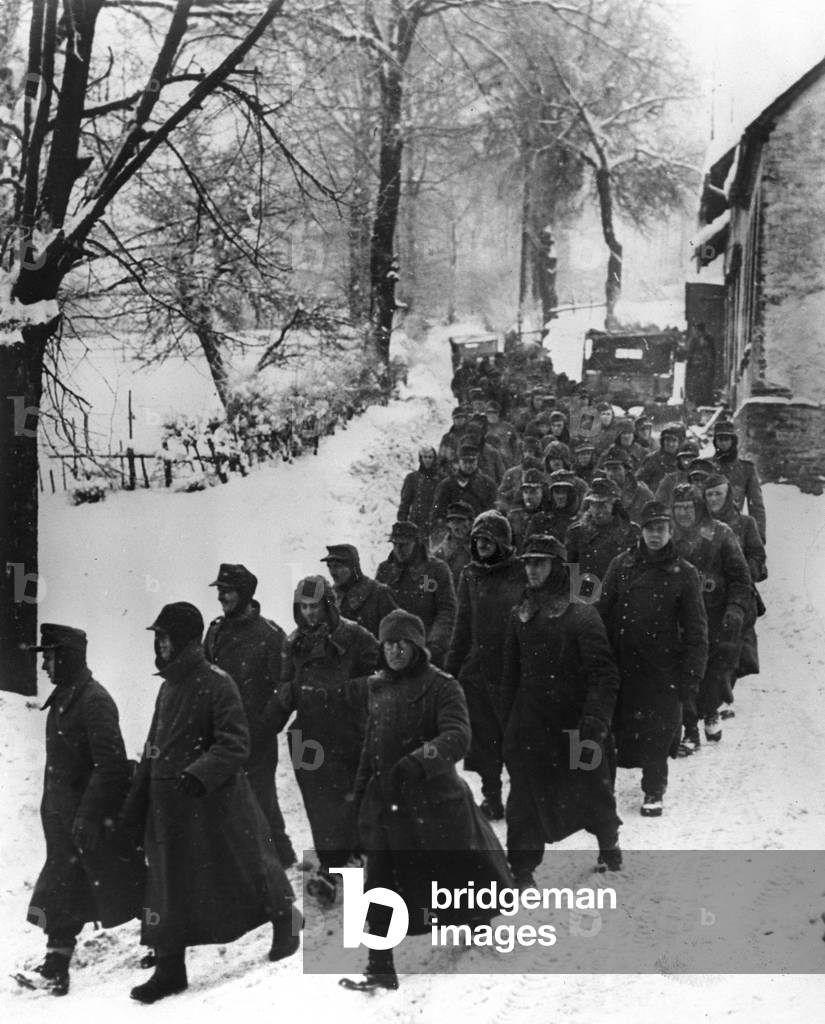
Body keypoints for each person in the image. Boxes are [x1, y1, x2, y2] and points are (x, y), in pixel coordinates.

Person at [123, 603, 299, 1004]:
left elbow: (235, 742)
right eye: (158, 637)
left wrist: (199, 773)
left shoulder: (218, 683)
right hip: (169, 809)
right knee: (167, 884)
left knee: (248, 868)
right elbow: (153, 747)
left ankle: (287, 920)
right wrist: (137, 800)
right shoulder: (168, 687)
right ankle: (170, 970)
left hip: (215, 806)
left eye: (165, 637)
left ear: (185, 640)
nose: (160, 644)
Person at [342, 610, 512, 992]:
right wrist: (360, 795)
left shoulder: (443, 686)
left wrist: (419, 761)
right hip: (390, 805)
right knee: (381, 881)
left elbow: (458, 736)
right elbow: (371, 746)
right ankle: (379, 965)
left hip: (436, 803)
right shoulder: (378, 688)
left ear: (417, 647)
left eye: (402, 644)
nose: (394, 651)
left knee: (457, 874)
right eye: (388, 644)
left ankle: (476, 919)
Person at [17, 625, 143, 997]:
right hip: (66, 824)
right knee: (65, 889)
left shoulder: (93, 701)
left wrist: (88, 815)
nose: (44, 665)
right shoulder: (64, 698)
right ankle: (55, 969)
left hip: (91, 823)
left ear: (67, 657)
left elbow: (111, 765)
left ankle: (167, 941)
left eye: (49, 657)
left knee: (127, 883)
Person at [500, 535, 623, 883]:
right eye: (528, 563)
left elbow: (604, 674)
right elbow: (510, 676)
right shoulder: (520, 616)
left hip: (576, 724)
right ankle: (522, 868)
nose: (532, 570)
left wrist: (595, 718)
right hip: (531, 725)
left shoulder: (581, 615)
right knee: (524, 799)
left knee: (593, 791)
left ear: (556, 567)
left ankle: (608, 843)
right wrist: (508, 726)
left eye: (539, 563)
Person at [597, 503, 708, 816]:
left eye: (661, 528)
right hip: (622, 663)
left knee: (657, 733)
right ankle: (602, 792)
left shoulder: (684, 573)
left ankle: (653, 789)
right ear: (641, 531)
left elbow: (697, 630)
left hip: (662, 668)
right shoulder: (621, 565)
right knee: (613, 728)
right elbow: (601, 611)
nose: (654, 535)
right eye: (649, 528)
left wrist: (692, 674)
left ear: (671, 531)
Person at [277, 576, 379, 902]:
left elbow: (379, 678)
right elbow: (285, 689)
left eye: (314, 606)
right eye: (304, 607)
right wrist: (265, 725)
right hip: (309, 735)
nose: (309, 613)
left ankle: (356, 858)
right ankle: (331, 865)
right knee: (320, 804)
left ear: (329, 605)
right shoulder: (293, 643)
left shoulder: (356, 636)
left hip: (349, 730)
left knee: (351, 798)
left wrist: (343, 692)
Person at [204, 563, 296, 867]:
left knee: (260, 802)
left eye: (228, 591)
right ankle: (274, 860)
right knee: (230, 804)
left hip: (256, 739)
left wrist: (264, 726)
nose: (221, 597)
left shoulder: (269, 635)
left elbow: (285, 688)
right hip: (222, 737)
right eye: (220, 590)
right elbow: (204, 679)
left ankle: (276, 864)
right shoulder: (215, 631)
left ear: (244, 593)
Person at [446, 511, 526, 821]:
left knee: (516, 738)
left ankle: (522, 800)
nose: (481, 544)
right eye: (477, 539)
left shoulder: (521, 571)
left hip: (513, 669)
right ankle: (492, 796)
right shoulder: (469, 574)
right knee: (484, 740)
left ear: (503, 541)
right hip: (478, 672)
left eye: (488, 539)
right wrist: (450, 672)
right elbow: (462, 626)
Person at [670, 485, 752, 753]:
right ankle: (689, 728)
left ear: (699, 507)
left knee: (713, 670)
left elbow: (740, 578)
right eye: (678, 508)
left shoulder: (721, 533)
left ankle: (710, 710)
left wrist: (735, 609)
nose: (683, 514)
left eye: (688, 507)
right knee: (685, 670)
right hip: (681, 615)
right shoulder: (668, 536)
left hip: (715, 613)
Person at [702, 473, 767, 718]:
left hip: (738, 595)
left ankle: (720, 693)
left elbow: (758, 556)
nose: (713, 499)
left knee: (736, 649)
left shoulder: (746, 523)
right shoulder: (701, 525)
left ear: (728, 495)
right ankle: (713, 699)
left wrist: (742, 572)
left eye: (718, 493)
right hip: (708, 596)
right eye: (709, 494)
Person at [375, 521, 457, 668]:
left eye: (404, 545)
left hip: (426, 648)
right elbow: (377, 610)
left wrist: (434, 646)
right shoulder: (385, 570)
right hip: (392, 650)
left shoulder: (435, 570)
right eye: (395, 544)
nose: (398, 550)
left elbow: (446, 611)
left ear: (416, 543)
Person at [566, 478, 639, 587]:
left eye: (603, 505)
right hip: (586, 592)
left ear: (615, 507)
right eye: (593, 505)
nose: (597, 511)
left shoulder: (631, 532)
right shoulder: (576, 532)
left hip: (618, 591)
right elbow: (570, 572)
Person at [320, 544, 397, 638]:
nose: (332, 572)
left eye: (337, 566)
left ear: (353, 567)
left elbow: (396, 631)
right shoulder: (330, 597)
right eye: (329, 566)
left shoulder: (379, 593)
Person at [429, 443, 498, 546]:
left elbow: (493, 513)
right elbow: (437, 514)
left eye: (472, 461)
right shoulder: (447, 485)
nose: (468, 465)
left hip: (479, 537)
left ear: (477, 461)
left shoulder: (488, 484)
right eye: (465, 462)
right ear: (459, 462)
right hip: (453, 538)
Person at [711, 419, 766, 542]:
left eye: (727, 439)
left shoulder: (746, 469)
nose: (723, 443)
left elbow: (756, 506)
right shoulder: (706, 467)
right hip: (709, 532)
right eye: (720, 439)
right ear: (715, 442)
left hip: (735, 533)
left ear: (733, 441)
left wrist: (758, 537)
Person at [397, 445, 444, 537]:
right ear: (420, 459)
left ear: (434, 459)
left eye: (430, 457)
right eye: (425, 457)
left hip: (435, 525)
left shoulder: (441, 480)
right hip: (416, 523)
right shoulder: (412, 478)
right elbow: (405, 503)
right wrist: (402, 522)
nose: (427, 460)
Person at [506, 467, 554, 553]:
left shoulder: (551, 517)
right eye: (525, 492)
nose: (528, 497)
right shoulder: (514, 517)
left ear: (543, 492)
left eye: (533, 492)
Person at [602, 450, 655, 526]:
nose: (610, 474)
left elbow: (652, 523)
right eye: (607, 469)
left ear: (626, 470)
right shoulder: (597, 493)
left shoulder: (643, 494)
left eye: (616, 469)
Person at [431, 501, 474, 585]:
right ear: (448, 524)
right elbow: (426, 581)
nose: (456, 526)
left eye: (460, 521)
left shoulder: (480, 551)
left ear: (471, 523)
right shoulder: (438, 554)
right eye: (452, 521)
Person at [496, 439, 543, 512]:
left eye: (531, 451)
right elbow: (501, 495)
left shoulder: (543, 472)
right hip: (515, 509)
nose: (528, 454)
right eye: (526, 451)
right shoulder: (512, 473)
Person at [636, 422, 685, 491]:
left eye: (674, 440)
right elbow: (638, 482)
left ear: (679, 442)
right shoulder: (652, 459)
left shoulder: (683, 460)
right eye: (667, 440)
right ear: (662, 441)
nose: (670, 444)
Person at [654, 439, 701, 507]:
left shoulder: (703, 477)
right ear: (679, 459)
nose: (687, 461)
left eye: (691, 458)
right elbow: (658, 503)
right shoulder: (669, 480)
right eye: (684, 458)